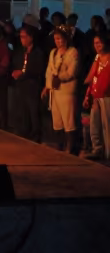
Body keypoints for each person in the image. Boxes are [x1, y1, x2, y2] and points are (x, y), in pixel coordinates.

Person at [42, 25, 81, 155]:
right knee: (57, 120)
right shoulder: (53, 52)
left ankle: (70, 147)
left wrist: (60, 78)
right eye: (55, 39)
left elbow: (72, 72)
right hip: (55, 91)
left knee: (68, 119)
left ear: (66, 39)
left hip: (66, 91)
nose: (57, 41)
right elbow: (49, 71)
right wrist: (47, 87)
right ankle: (60, 145)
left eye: (59, 38)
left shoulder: (73, 52)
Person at [9, 24, 46, 142]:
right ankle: (24, 133)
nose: (22, 40)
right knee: (22, 111)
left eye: (24, 37)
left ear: (31, 37)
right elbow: (15, 63)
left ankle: (36, 136)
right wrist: (15, 72)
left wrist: (24, 73)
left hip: (33, 87)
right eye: (20, 37)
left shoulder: (38, 52)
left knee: (33, 113)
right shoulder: (20, 51)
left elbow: (39, 69)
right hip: (21, 86)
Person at [81, 32, 109, 160]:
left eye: (99, 42)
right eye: (94, 43)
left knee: (106, 125)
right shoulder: (97, 57)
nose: (96, 46)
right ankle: (97, 149)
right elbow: (92, 76)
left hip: (107, 96)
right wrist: (85, 91)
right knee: (94, 123)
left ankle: (108, 153)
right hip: (96, 95)